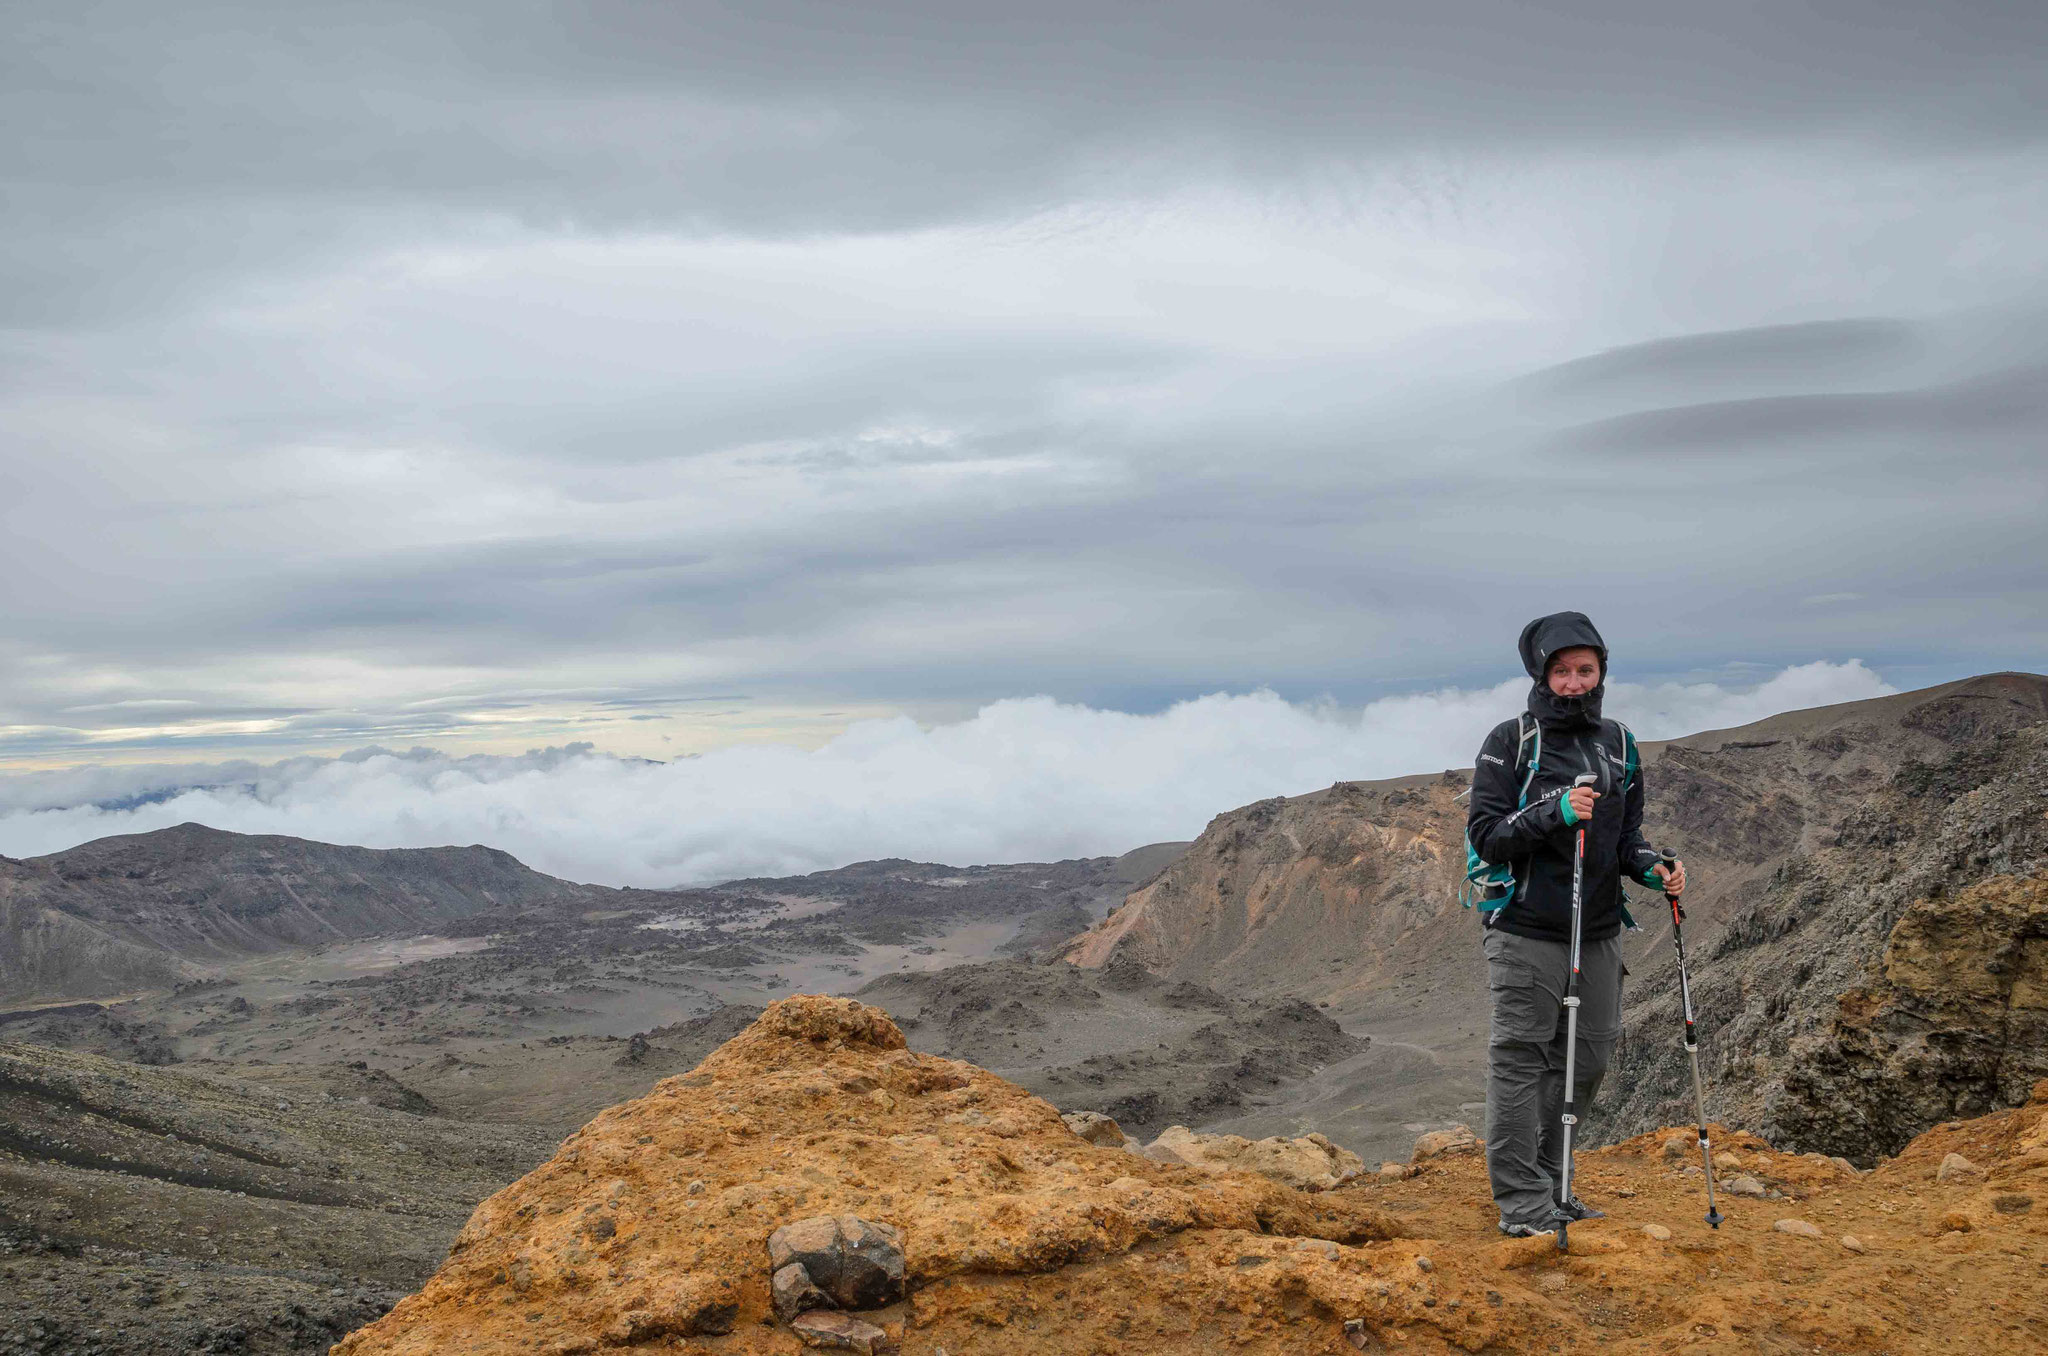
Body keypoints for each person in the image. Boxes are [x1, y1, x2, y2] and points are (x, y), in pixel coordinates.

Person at [1464, 611, 1685, 1237]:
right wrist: (1555, 811)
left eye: (1584, 670)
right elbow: (1488, 836)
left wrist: (1653, 869)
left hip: (1601, 929)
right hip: (1526, 930)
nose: (1573, 682)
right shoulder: (1511, 741)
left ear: (1601, 671)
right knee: (1520, 1058)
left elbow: (1627, 839)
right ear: (1540, 671)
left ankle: (1553, 1181)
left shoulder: (1618, 741)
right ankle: (1521, 1200)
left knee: (1586, 1059)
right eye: (1560, 671)